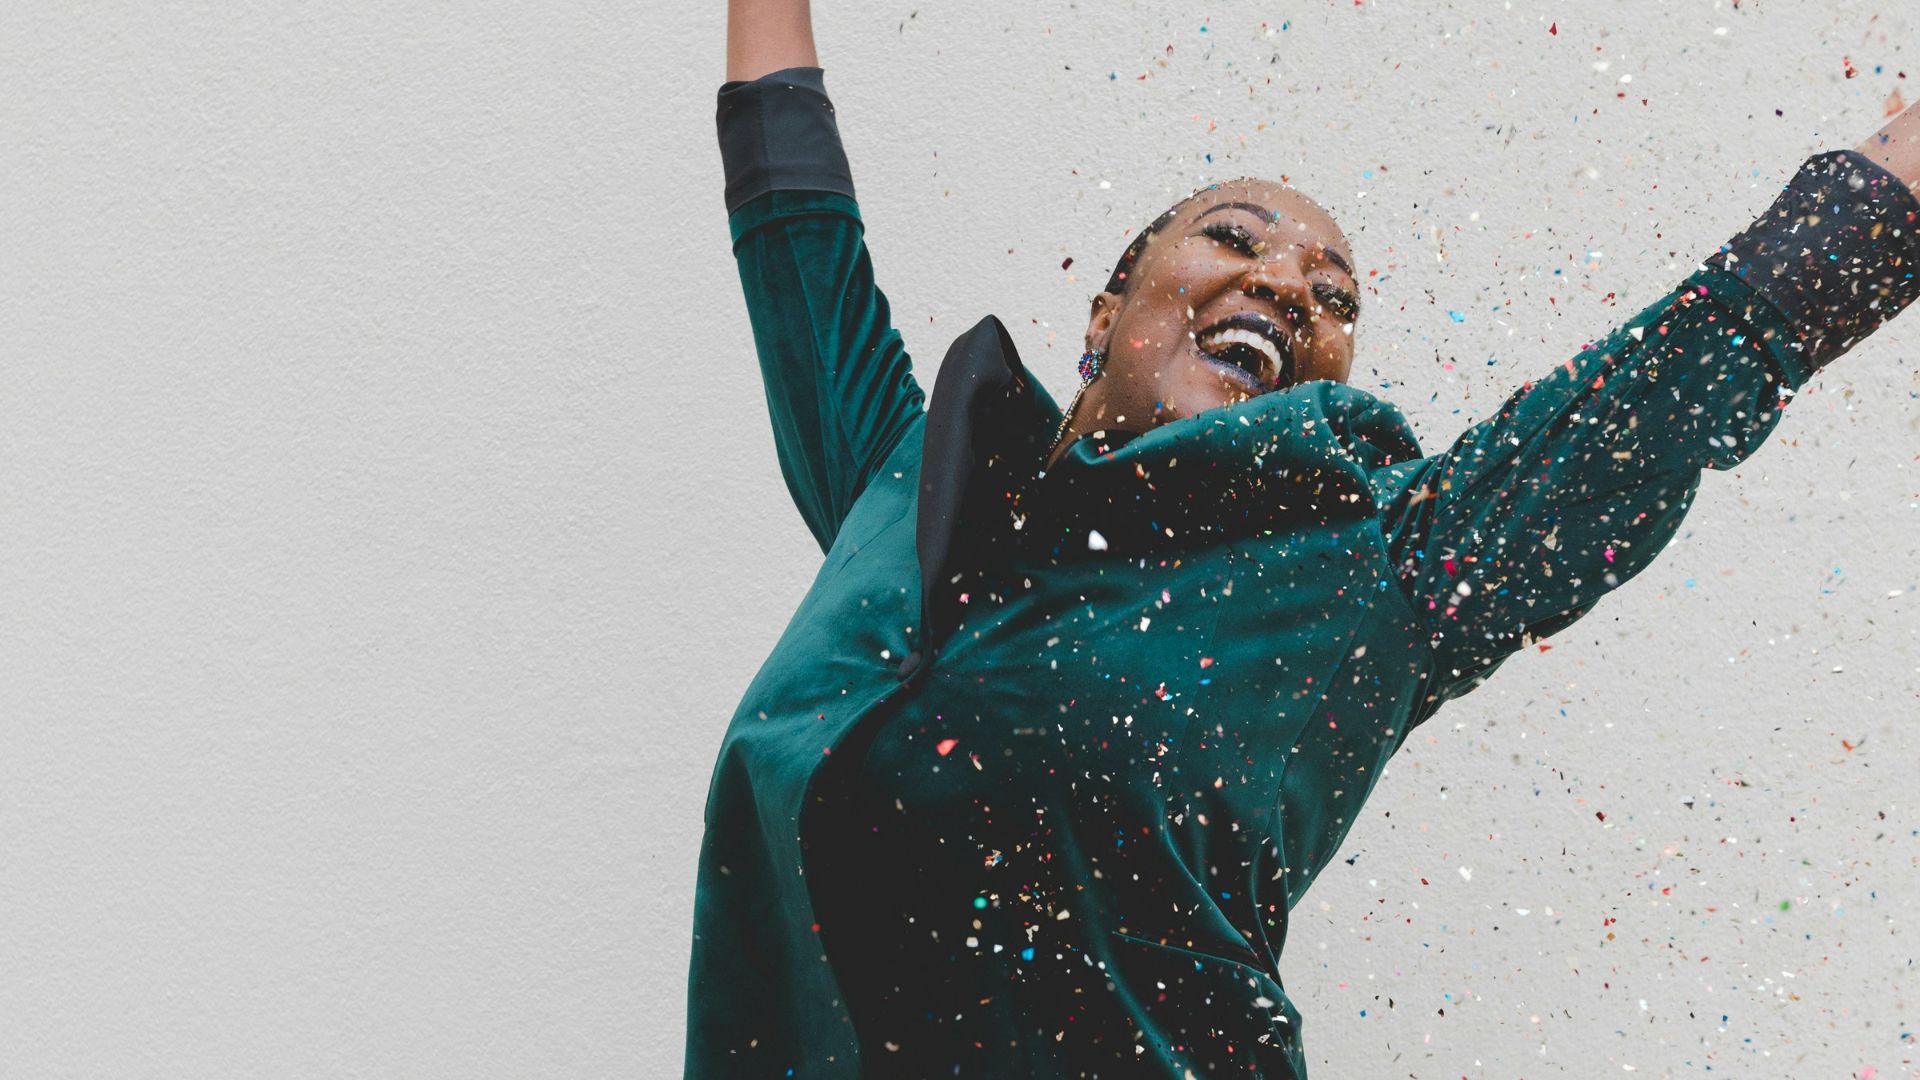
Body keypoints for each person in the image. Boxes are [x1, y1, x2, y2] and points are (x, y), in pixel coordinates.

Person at [687, 2, 1920, 1076]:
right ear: (1110, 307)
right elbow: (796, 212)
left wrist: (1887, 187)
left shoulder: (1368, 575)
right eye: (1234, 239)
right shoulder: (901, 485)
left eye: (1335, 298)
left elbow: (1647, 401)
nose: (1288, 285)